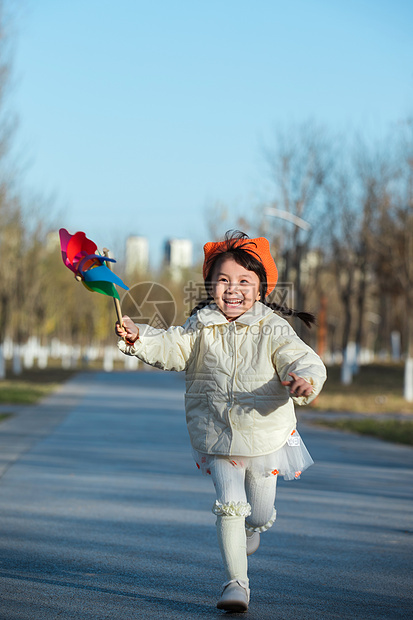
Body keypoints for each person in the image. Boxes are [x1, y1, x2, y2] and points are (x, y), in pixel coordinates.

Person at [115, 230, 327, 613]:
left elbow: (302, 358)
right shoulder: (200, 326)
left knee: (259, 512)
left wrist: (304, 379)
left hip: (264, 434)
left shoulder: (273, 328)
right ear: (211, 285)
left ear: (261, 289)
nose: (233, 289)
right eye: (224, 280)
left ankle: (252, 528)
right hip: (218, 434)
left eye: (244, 281)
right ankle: (236, 583)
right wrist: (138, 338)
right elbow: (170, 347)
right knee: (230, 503)